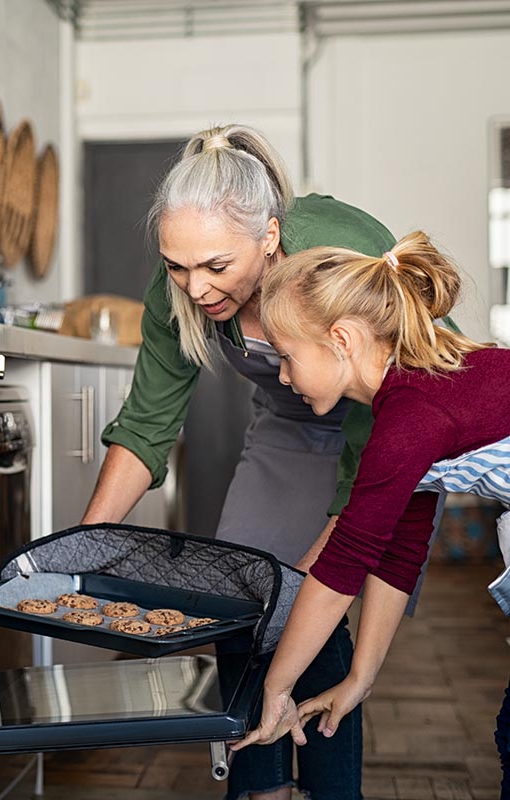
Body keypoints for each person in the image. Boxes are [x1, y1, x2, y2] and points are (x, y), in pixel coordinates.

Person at [79, 124, 447, 800]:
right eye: (177, 266)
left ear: (271, 237)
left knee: (314, 598)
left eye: (216, 267)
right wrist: (83, 547)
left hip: (390, 412)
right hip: (290, 423)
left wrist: (318, 567)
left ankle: (335, 791)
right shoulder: (179, 291)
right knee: (241, 595)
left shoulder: (337, 256)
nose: (193, 286)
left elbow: (389, 422)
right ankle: (260, 790)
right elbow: (147, 425)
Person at [233, 231, 510, 796]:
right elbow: (399, 550)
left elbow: (343, 564)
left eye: (288, 357)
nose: (283, 377)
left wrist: (275, 689)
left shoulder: (409, 418)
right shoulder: (410, 397)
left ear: (341, 339)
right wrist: (359, 677)